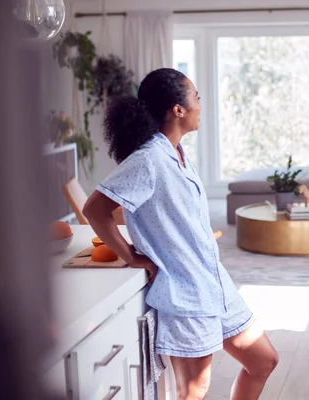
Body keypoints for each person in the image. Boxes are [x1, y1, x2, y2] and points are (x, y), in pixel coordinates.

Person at [83, 68, 278, 400]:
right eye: (196, 97)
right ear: (178, 108)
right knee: (193, 391)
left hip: (214, 283)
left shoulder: (179, 153)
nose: (201, 104)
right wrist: (129, 255)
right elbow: (95, 209)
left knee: (263, 361)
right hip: (186, 293)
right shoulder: (148, 159)